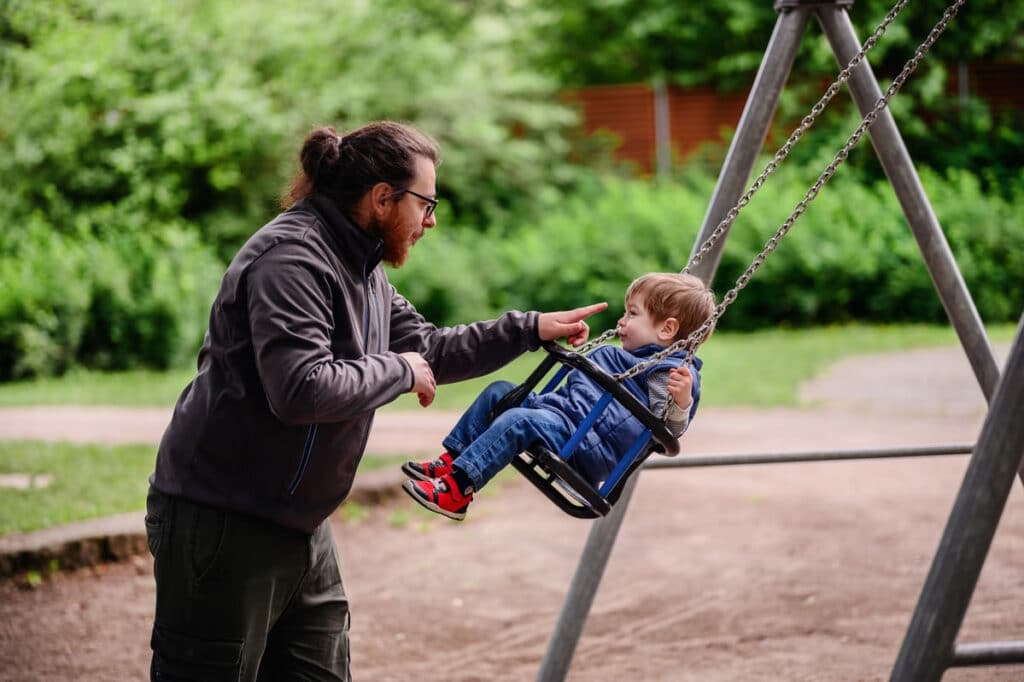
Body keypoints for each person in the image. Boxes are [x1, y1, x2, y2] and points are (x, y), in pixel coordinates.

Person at [144, 121, 607, 681]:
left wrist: (530, 329)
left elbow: (430, 347)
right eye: (426, 203)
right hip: (223, 521)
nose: (431, 221)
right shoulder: (291, 259)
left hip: (302, 526)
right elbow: (300, 388)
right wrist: (400, 369)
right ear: (382, 198)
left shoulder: (363, 269)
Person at [402, 272, 715, 521]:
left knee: (518, 420)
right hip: (562, 419)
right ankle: (452, 462)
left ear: (667, 329)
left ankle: (458, 490)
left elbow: (668, 428)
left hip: (586, 444)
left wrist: (681, 403)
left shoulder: (670, 373)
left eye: (632, 313)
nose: (621, 321)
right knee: (500, 392)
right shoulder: (629, 357)